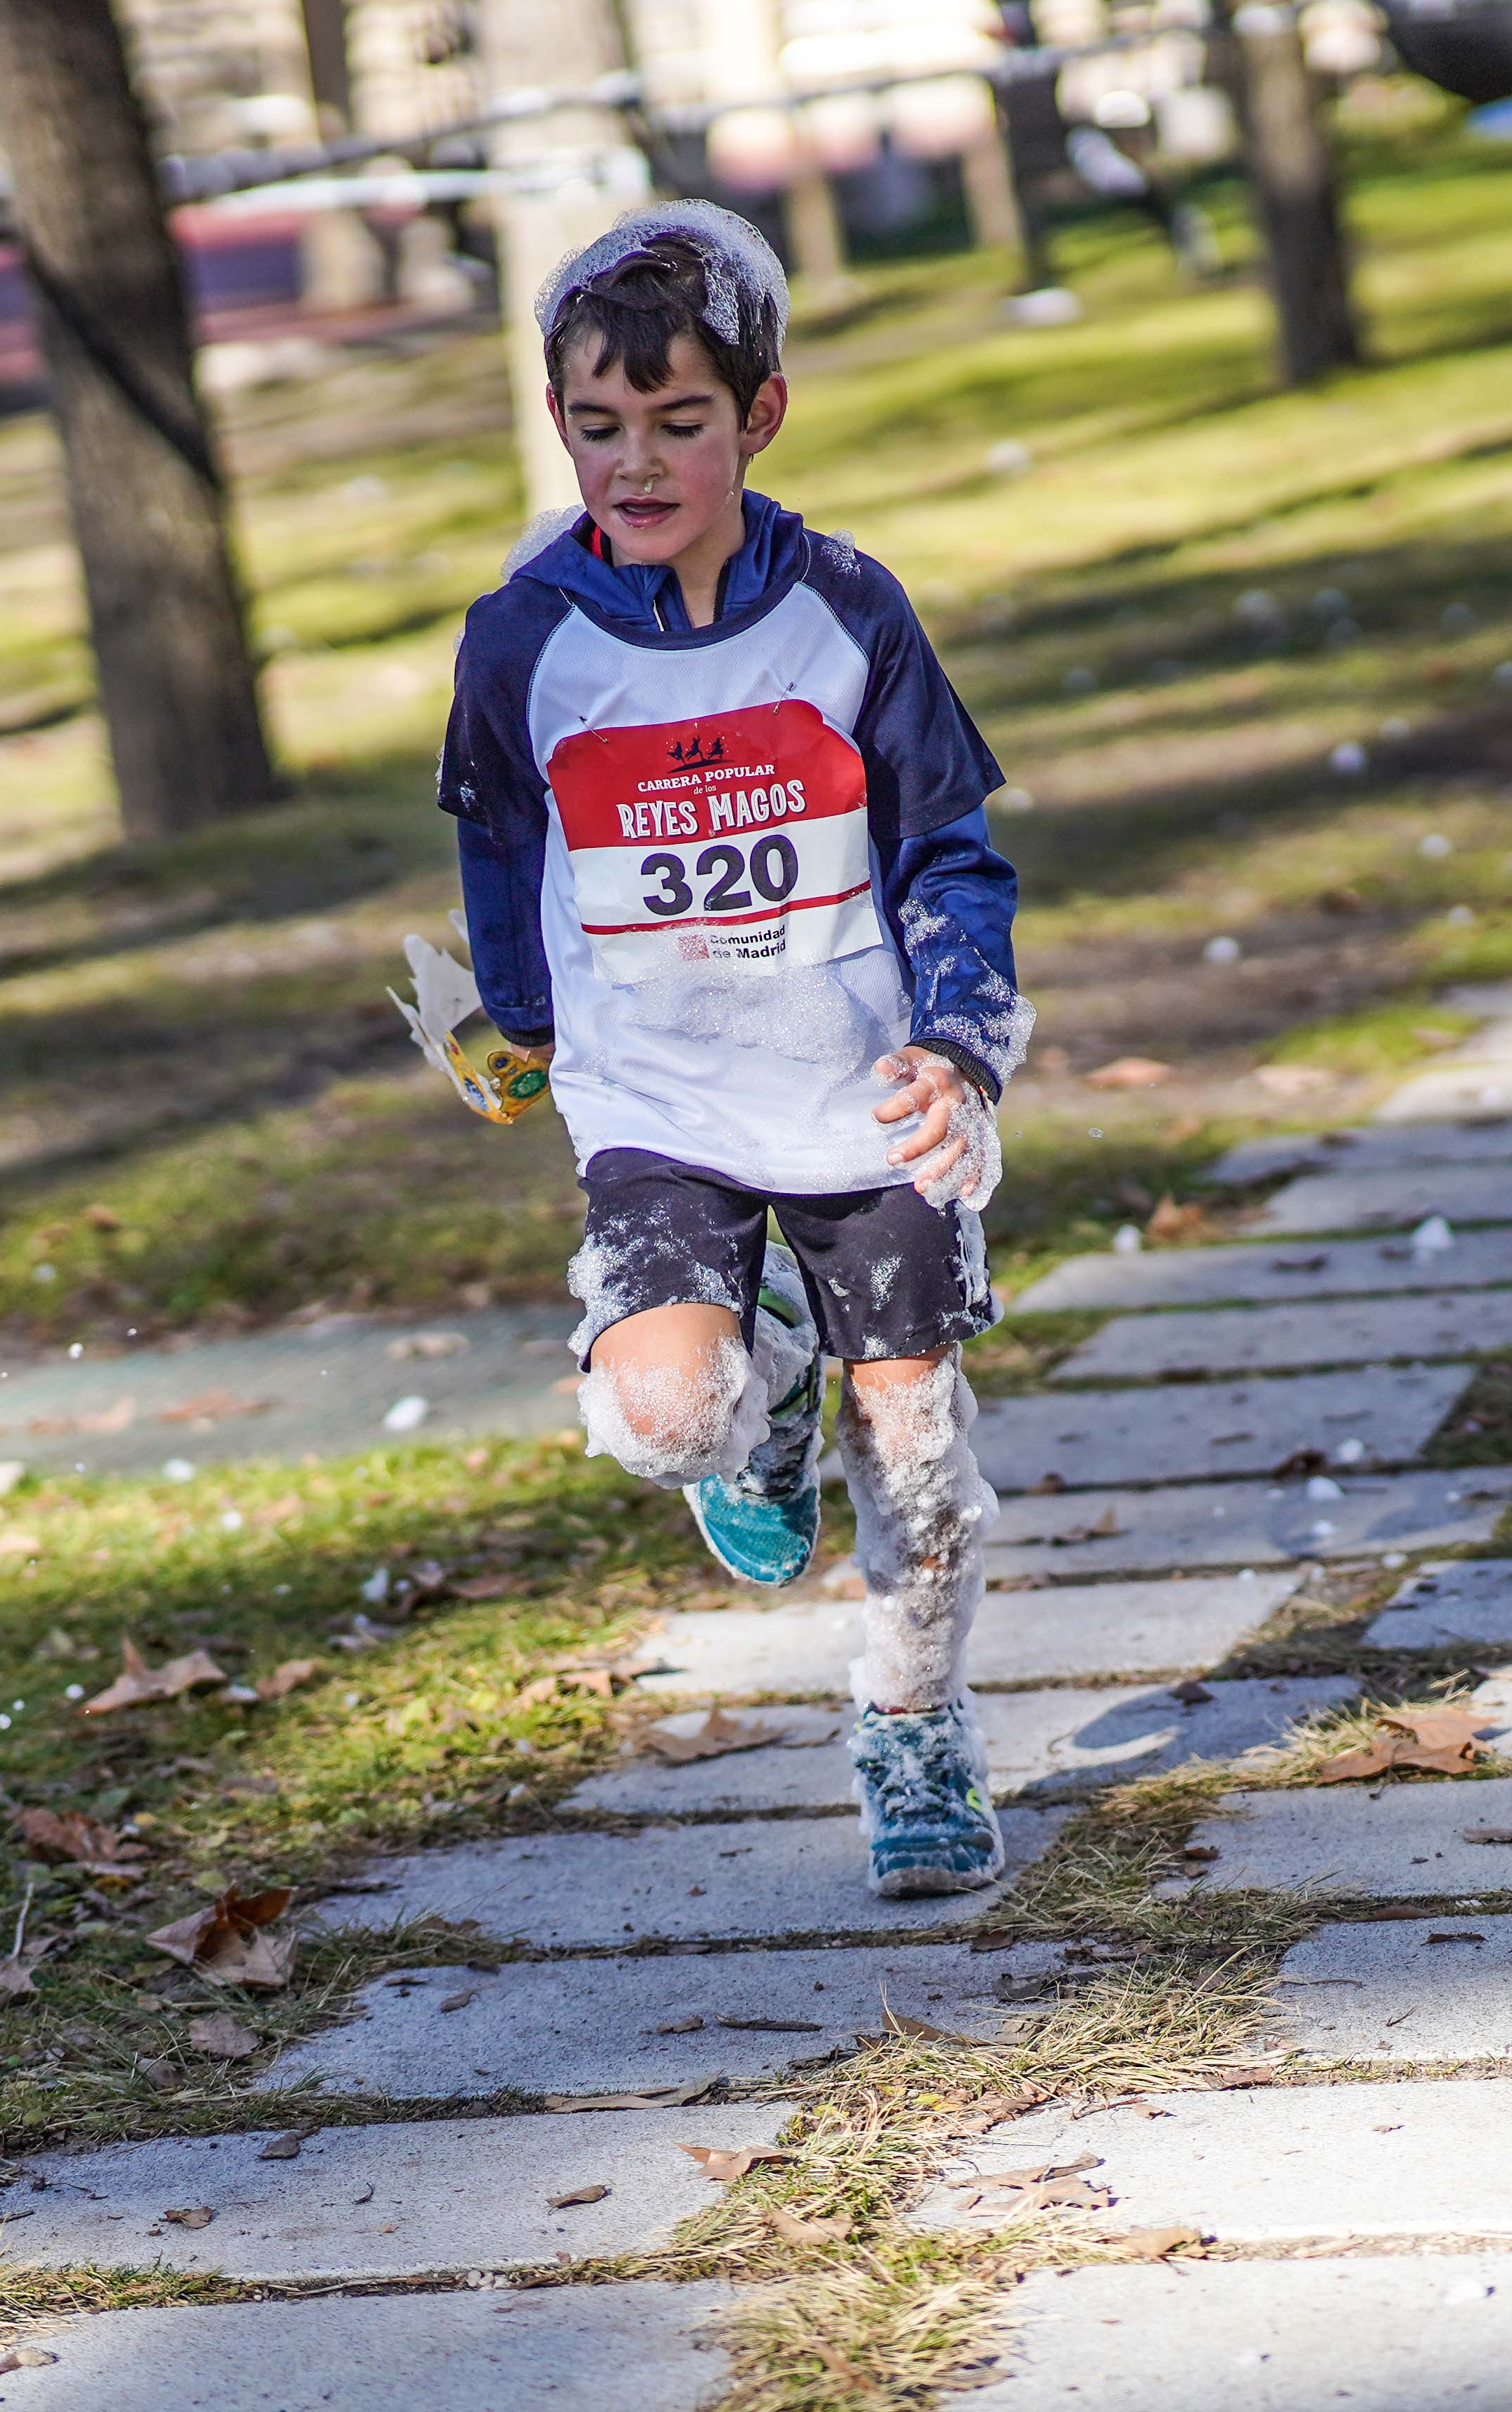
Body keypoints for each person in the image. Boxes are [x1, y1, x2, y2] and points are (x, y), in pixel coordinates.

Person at [434, 201, 1034, 1898]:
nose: (635, 461)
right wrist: (523, 1025)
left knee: (913, 1438)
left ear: (758, 414)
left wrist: (963, 1047)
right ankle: (751, 1398)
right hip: (661, 1101)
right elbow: (500, 848)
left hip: (858, 1093)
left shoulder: (850, 609)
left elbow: (949, 854)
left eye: (678, 422)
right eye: (597, 425)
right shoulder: (521, 638)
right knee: (670, 1414)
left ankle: (916, 1714)